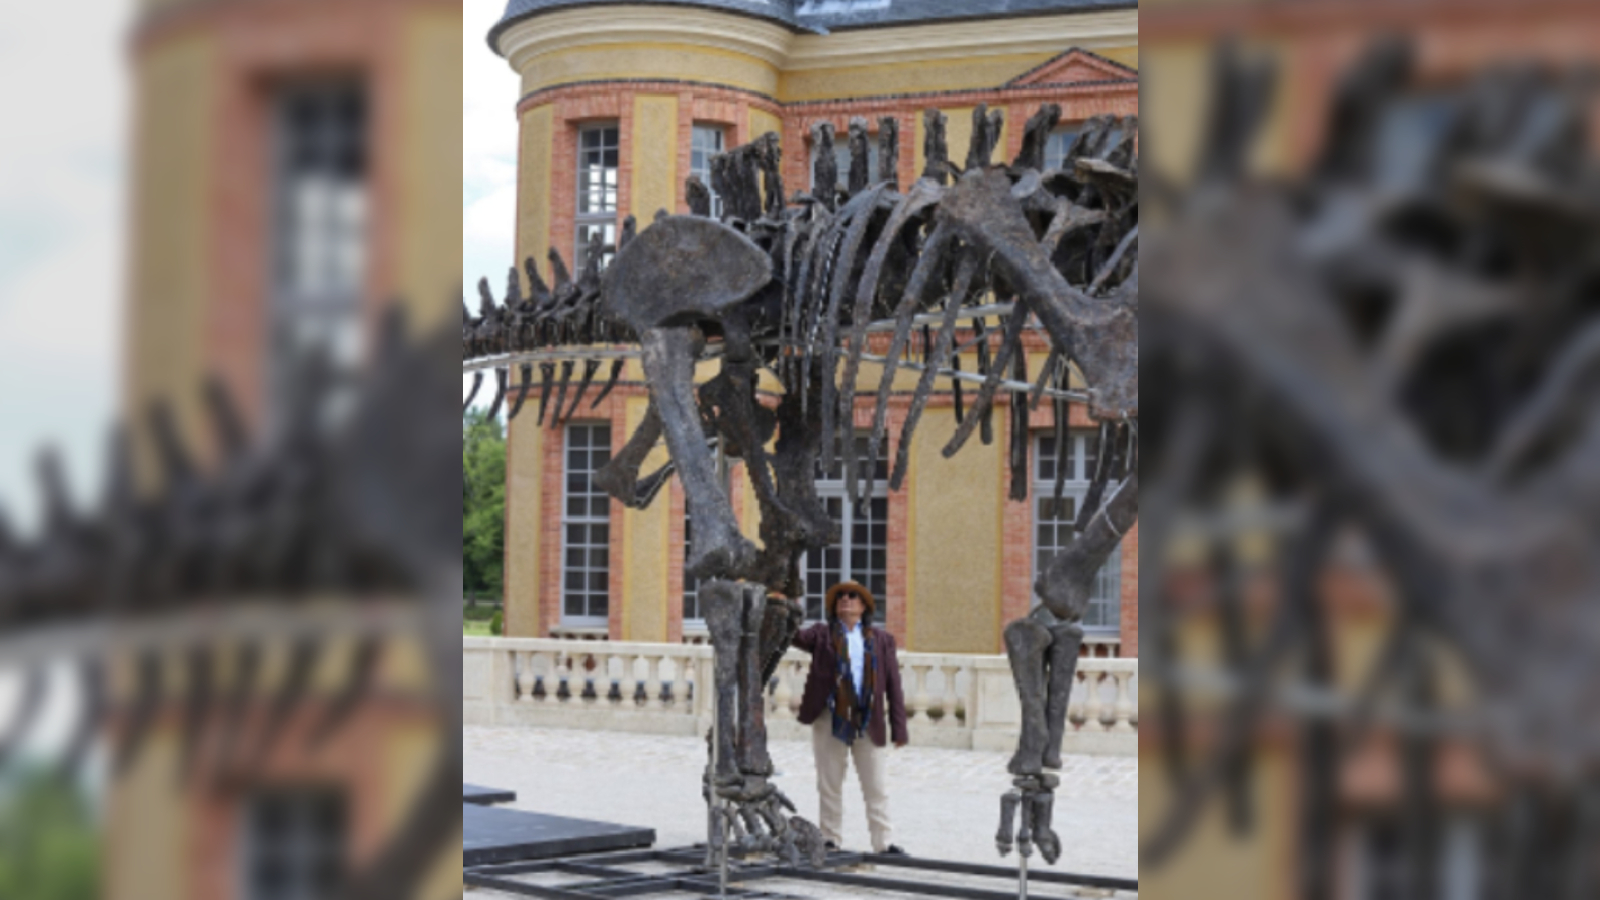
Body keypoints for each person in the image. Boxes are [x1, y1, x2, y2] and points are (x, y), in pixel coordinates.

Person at [792, 580, 909, 855]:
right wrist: (780, 605)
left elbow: (893, 685)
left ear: (864, 605)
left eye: (852, 596)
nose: (846, 599)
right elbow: (794, 636)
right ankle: (830, 838)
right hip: (830, 718)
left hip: (869, 720)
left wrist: (899, 728)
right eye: (840, 596)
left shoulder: (882, 640)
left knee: (876, 786)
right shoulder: (821, 635)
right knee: (829, 783)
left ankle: (884, 842)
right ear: (834, 606)